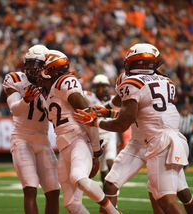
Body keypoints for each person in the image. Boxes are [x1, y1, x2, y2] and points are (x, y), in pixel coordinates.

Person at [74, 43, 193, 214]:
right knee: (112, 184)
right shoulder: (166, 81)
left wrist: (95, 122)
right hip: (154, 140)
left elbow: (123, 122)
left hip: (158, 142)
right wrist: (108, 111)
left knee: (165, 198)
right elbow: (141, 111)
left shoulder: (132, 82)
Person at [32, 49, 121, 214]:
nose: (37, 70)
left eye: (42, 66)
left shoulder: (65, 81)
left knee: (78, 177)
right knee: (71, 203)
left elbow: (87, 116)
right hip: (64, 144)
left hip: (78, 138)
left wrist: (95, 151)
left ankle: (114, 212)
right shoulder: (47, 92)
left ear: (52, 68)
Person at [2, 45, 60, 214]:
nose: (33, 68)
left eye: (38, 64)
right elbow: (14, 109)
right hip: (22, 139)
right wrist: (26, 100)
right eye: (30, 63)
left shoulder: (53, 84)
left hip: (43, 140)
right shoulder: (15, 79)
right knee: (30, 188)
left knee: (53, 191)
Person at [83, 74, 118, 183]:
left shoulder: (113, 100)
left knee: (110, 159)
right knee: (101, 165)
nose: (100, 89)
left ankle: (113, 183)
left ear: (108, 87)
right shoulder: (89, 96)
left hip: (110, 133)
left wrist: (120, 138)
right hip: (95, 134)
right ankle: (106, 188)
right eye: (97, 86)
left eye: (102, 86)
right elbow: (77, 93)